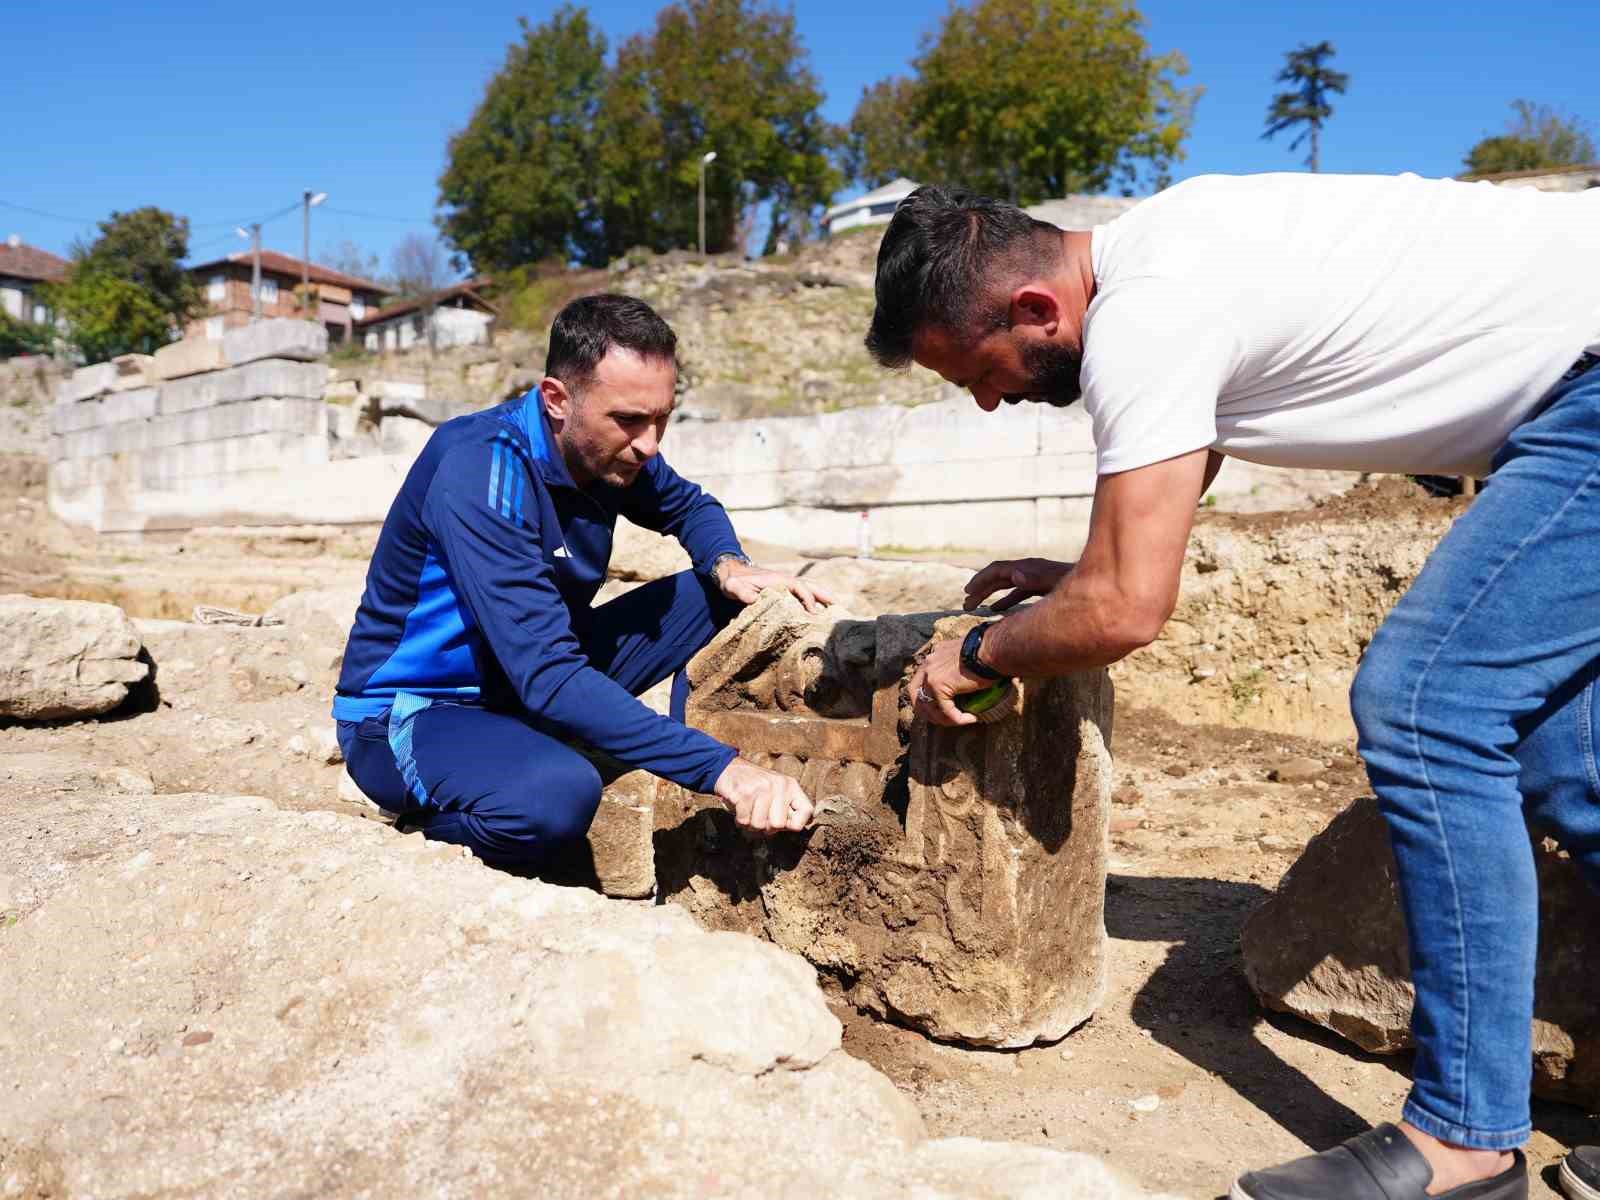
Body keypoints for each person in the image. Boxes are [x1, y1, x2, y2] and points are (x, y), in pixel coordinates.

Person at [865, 176, 1600, 1200]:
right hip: (1573, 383)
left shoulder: (1149, 311)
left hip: (1589, 393)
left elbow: (1125, 611)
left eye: (975, 374)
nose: (990, 400)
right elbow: (1169, 473)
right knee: (1573, 769)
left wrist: (984, 654)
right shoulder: (1174, 250)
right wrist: (1079, 577)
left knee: (1428, 707)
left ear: (1034, 310)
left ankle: (1464, 1148)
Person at [333, 293, 829, 872]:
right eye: (629, 420)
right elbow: (548, 674)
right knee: (556, 797)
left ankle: (663, 766)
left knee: (718, 595)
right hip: (420, 709)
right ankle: (431, 819)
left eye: (662, 417)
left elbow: (692, 508)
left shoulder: (611, 452)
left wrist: (728, 563)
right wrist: (722, 769)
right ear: (557, 400)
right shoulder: (482, 470)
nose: (650, 443)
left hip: (522, 681)